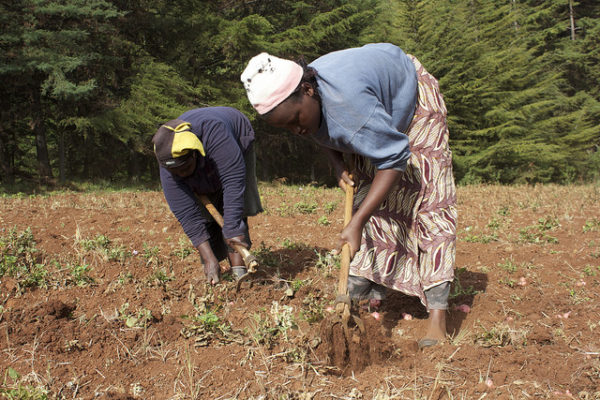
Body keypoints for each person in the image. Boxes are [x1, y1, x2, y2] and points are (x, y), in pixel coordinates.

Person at [241, 43, 457, 348]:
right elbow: (318, 128)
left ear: (308, 90)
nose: (296, 131)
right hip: (371, 104)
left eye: (295, 120)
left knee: (428, 200)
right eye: (287, 127)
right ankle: (369, 286)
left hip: (413, 100)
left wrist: (356, 222)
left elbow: (394, 157)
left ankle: (438, 316)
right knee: (368, 192)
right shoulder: (309, 98)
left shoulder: (349, 106)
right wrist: (337, 163)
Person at [152, 107, 263, 285]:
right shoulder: (167, 163)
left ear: (195, 154)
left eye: (186, 168)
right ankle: (214, 262)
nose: (182, 175)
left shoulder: (215, 134)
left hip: (236, 138)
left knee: (234, 210)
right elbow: (187, 215)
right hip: (204, 156)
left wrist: (232, 228)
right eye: (176, 172)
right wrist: (208, 258)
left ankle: (239, 270)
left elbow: (233, 183)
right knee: (204, 216)